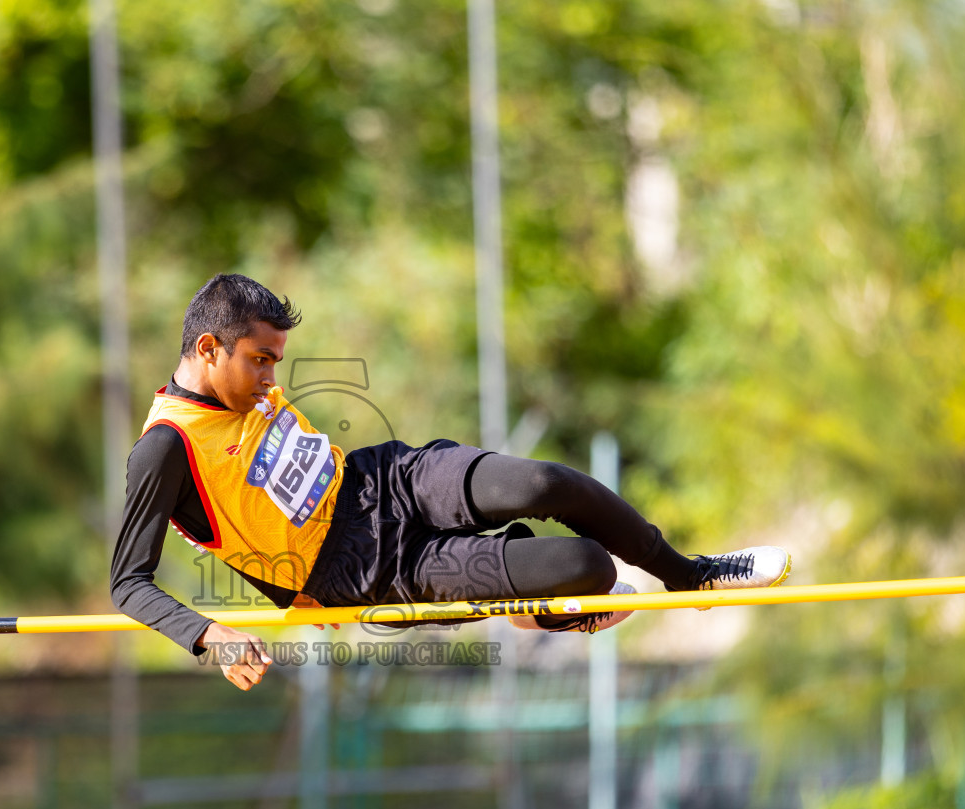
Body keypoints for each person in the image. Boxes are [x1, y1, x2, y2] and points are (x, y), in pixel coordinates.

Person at [111, 274, 790, 691]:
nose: (270, 379)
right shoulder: (164, 451)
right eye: (259, 361)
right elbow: (128, 583)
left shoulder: (244, 387)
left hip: (384, 479)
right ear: (207, 349)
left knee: (542, 482)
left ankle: (688, 576)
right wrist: (210, 636)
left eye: (275, 362)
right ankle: (538, 600)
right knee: (586, 566)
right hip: (365, 569)